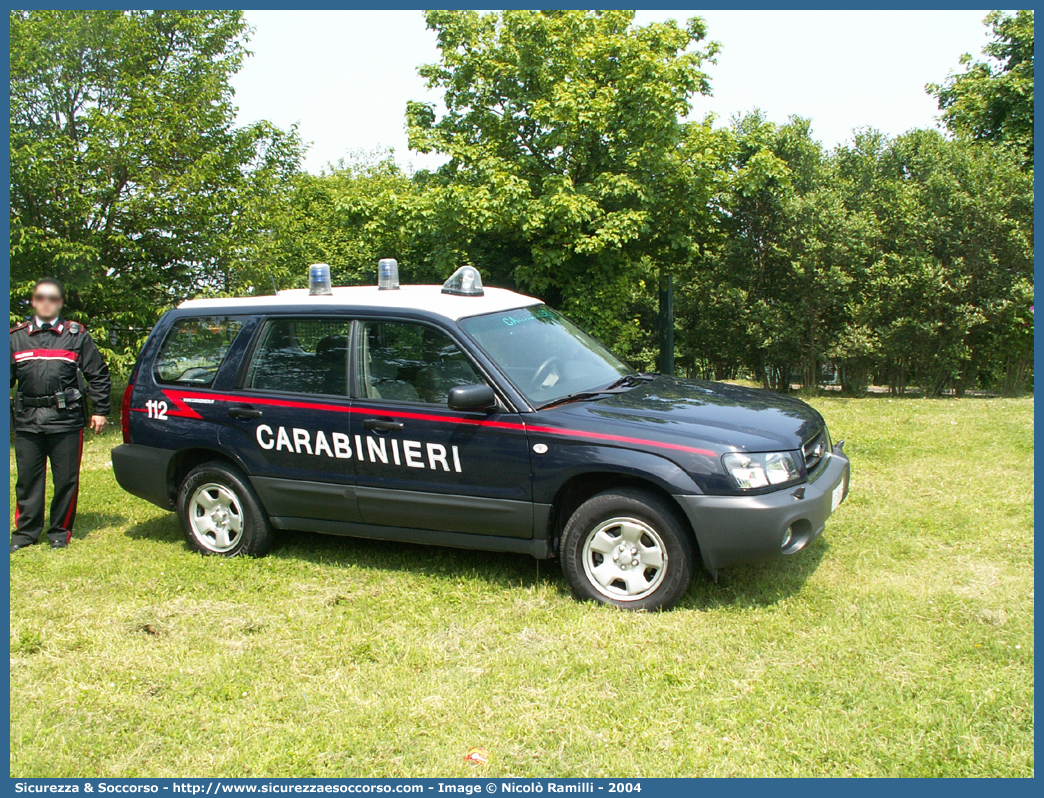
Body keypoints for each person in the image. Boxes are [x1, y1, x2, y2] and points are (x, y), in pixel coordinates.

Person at [10, 278, 111, 552]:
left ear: (60, 303)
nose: (46, 302)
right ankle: (26, 533)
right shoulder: (15, 337)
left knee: (66, 479)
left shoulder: (77, 336)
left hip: (65, 420)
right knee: (28, 480)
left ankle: (59, 532)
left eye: (52, 298)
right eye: (41, 297)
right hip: (28, 419)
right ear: (33, 301)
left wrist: (101, 410)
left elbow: (98, 375)